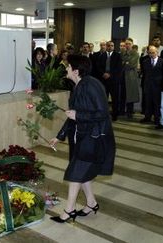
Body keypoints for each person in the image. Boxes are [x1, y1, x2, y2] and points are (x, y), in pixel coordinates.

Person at [49, 55, 115, 223]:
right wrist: (59, 136)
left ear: (76, 71)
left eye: (68, 66)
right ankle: (91, 203)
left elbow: (103, 113)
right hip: (83, 137)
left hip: (92, 138)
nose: (66, 69)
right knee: (81, 172)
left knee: (76, 173)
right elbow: (72, 116)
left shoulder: (91, 85)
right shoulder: (79, 85)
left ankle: (69, 210)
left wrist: (78, 114)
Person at [96, 41, 123, 121]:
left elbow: (118, 68)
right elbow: (98, 66)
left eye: (112, 45)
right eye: (108, 45)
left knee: (115, 98)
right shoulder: (102, 55)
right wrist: (103, 74)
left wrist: (110, 74)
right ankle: (104, 114)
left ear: (114, 47)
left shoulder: (117, 56)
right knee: (104, 98)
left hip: (114, 80)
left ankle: (115, 115)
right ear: (106, 46)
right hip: (104, 80)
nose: (110, 47)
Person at [140, 46, 163, 124]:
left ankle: (157, 119)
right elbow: (145, 74)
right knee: (148, 102)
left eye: (153, 52)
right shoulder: (145, 62)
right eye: (150, 53)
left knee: (157, 103)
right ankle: (147, 117)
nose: (151, 54)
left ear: (157, 52)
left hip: (158, 86)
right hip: (148, 85)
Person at [122, 38, 140, 118]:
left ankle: (130, 112)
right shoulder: (122, 52)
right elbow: (120, 63)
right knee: (123, 94)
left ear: (132, 45)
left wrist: (125, 62)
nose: (127, 45)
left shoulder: (135, 53)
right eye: (126, 44)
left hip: (131, 77)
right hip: (122, 76)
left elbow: (132, 64)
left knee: (130, 95)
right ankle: (122, 111)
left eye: (129, 44)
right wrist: (126, 62)